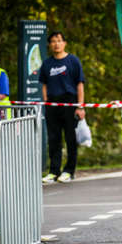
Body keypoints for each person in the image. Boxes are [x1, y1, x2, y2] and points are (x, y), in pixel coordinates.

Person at [40, 31, 85, 184]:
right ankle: (54, 171)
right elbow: (44, 85)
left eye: (59, 41)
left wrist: (80, 106)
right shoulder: (47, 64)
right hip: (52, 103)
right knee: (53, 139)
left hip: (69, 102)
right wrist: (47, 102)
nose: (56, 44)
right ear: (50, 45)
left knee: (70, 138)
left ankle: (69, 171)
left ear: (64, 43)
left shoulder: (73, 61)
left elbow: (80, 84)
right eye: (53, 41)